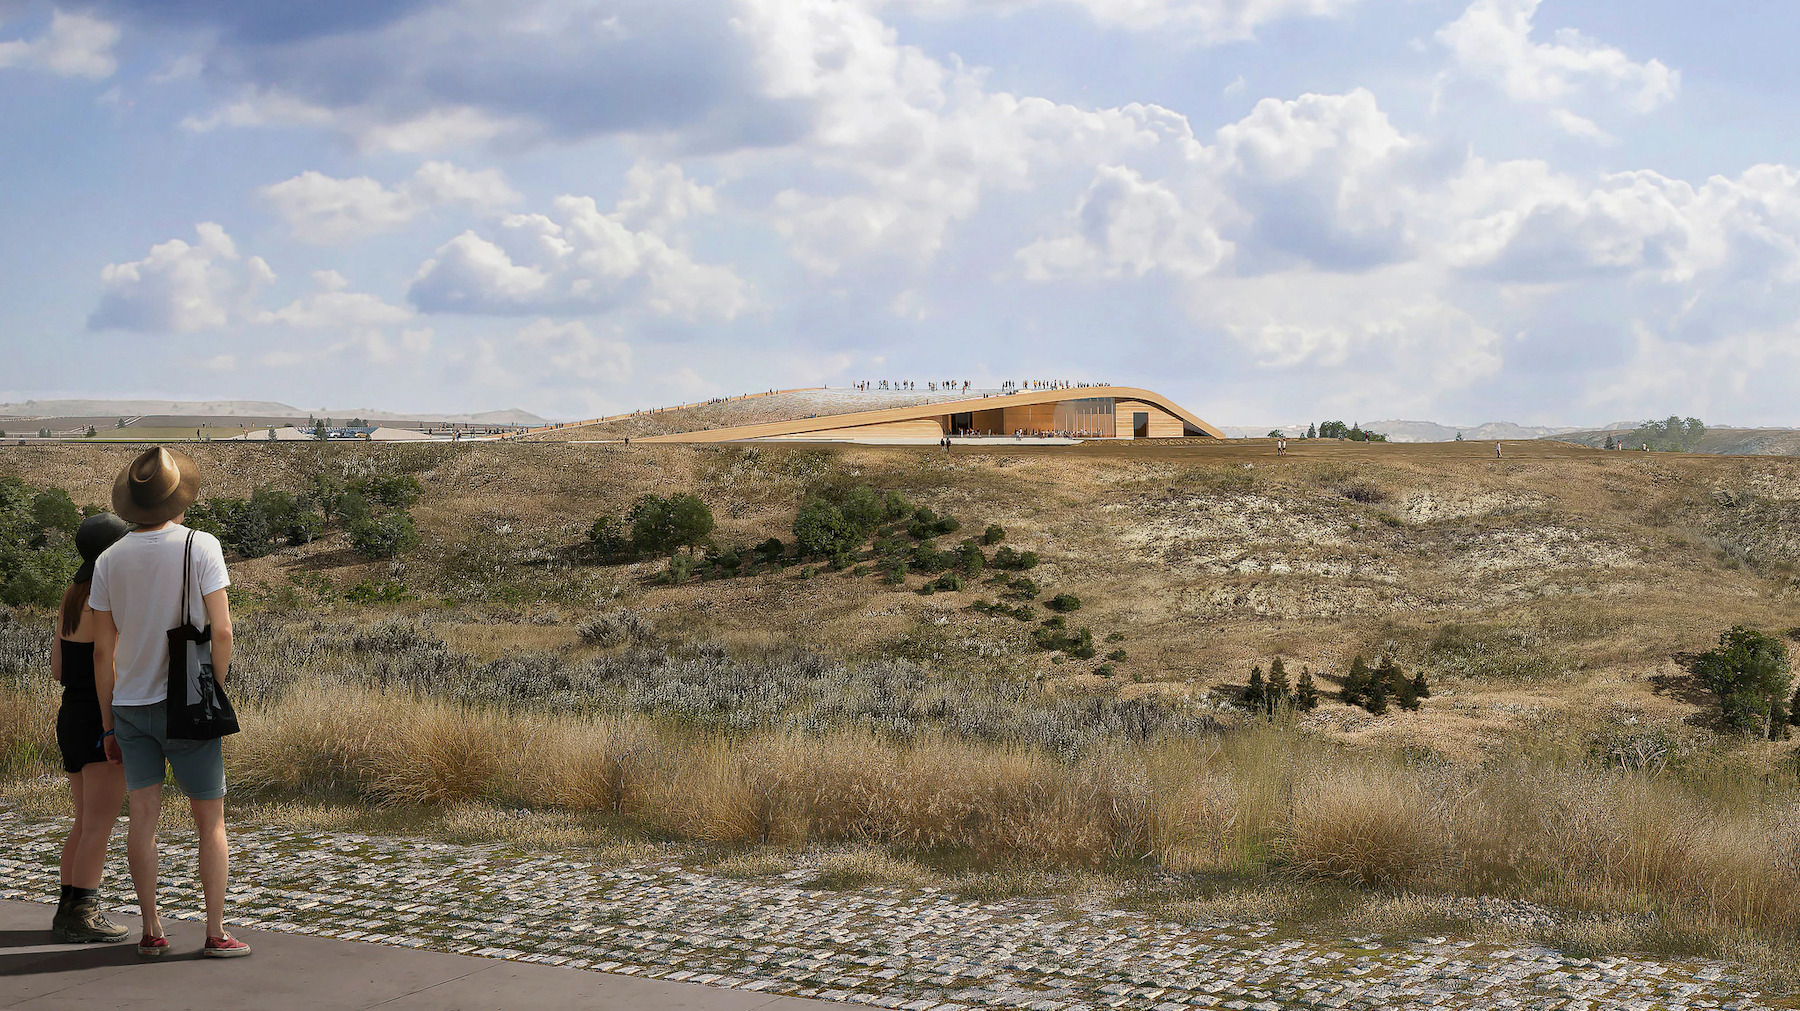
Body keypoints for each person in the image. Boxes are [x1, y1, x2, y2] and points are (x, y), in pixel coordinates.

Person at [92, 448, 250, 959]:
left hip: (129, 706)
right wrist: (209, 689)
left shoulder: (108, 559)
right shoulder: (200, 546)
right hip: (186, 701)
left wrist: (109, 724)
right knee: (211, 821)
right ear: (179, 497)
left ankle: (152, 930)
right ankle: (214, 932)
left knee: (143, 817)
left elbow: (102, 650)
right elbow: (222, 629)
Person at [51, 513, 134, 944]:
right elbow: (108, 661)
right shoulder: (105, 598)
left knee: (84, 820)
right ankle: (83, 912)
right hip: (99, 716)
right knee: (99, 823)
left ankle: (68, 909)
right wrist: (110, 724)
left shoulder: (71, 593)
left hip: (69, 713)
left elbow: (56, 667)